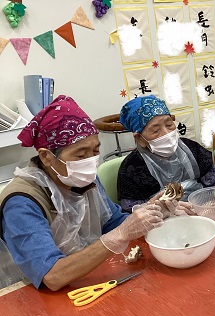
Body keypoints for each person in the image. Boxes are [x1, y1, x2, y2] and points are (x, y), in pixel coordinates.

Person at [0, 95, 180, 291]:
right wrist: (118, 236)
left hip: (85, 277)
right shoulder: (21, 202)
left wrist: (151, 212)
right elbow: (51, 276)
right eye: (80, 154)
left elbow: (112, 222)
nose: (90, 161)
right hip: (30, 294)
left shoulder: (84, 179)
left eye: (95, 151)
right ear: (46, 156)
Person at [117, 95, 215, 213]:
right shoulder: (131, 169)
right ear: (140, 138)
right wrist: (163, 210)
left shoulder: (191, 149)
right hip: (162, 223)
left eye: (169, 125)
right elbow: (133, 214)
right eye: (155, 130)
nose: (166, 133)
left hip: (203, 210)